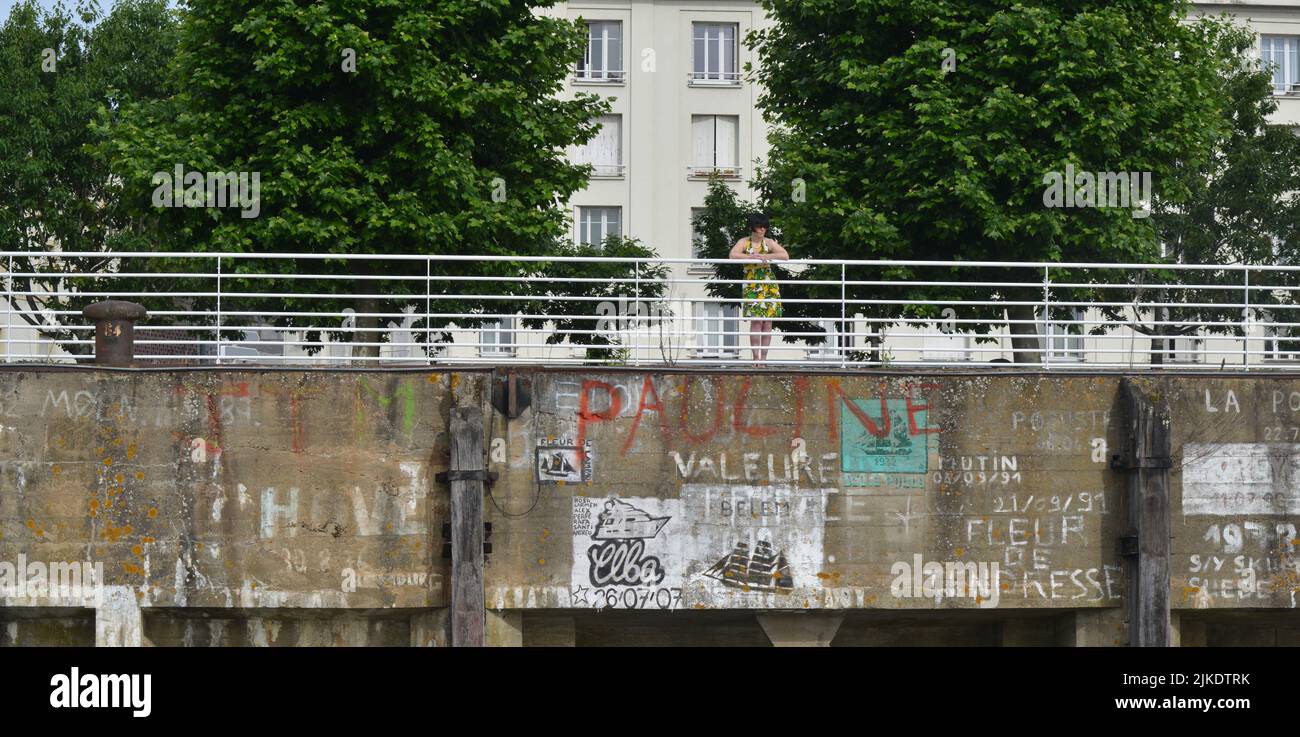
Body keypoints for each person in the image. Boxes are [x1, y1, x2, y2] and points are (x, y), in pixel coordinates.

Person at [729, 213, 788, 364]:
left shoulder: (768, 242)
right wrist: (751, 257)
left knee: (767, 322)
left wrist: (767, 256)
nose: (763, 229)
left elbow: (785, 255)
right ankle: (756, 358)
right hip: (751, 283)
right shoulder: (744, 242)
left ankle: (763, 359)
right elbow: (733, 255)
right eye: (760, 227)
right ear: (752, 228)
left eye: (765, 227)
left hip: (768, 284)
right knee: (756, 321)